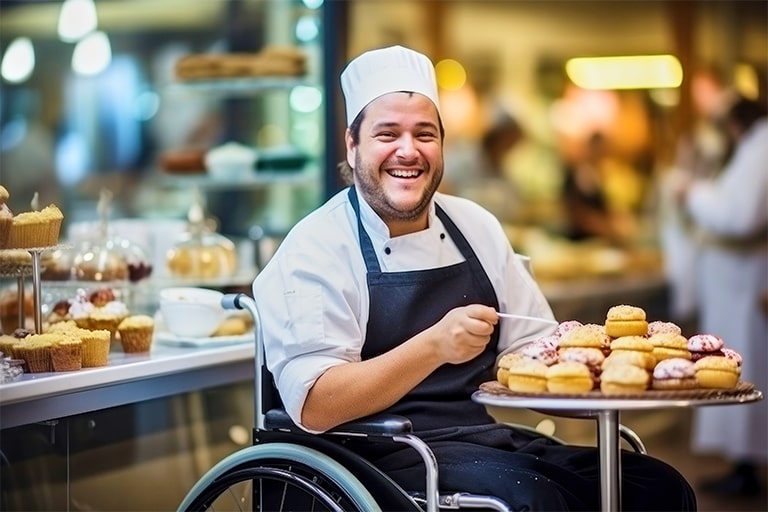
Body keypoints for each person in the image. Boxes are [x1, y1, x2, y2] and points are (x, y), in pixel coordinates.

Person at [252, 44, 696, 510]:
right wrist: (434, 345)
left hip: (482, 440)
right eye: (387, 133)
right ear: (352, 144)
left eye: (425, 133)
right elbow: (317, 404)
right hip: (374, 455)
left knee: (657, 485)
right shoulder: (318, 245)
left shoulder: (476, 226)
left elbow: (532, 355)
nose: (408, 150)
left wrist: (613, 373)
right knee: (538, 499)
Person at [676, 95, 768, 497]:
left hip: (743, 280)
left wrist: (693, 193)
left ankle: (745, 463)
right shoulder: (753, 149)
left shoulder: (759, 149)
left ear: (735, 125)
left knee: (742, 364)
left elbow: (740, 216)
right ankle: (740, 460)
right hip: (736, 279)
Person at [560, 131, 638, 245]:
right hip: (579, 241)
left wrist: (616, 220)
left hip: (598, 241)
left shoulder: (599, 175)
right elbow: (576, 212)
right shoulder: (576, 174)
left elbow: (602, 207)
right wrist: (605, 227)